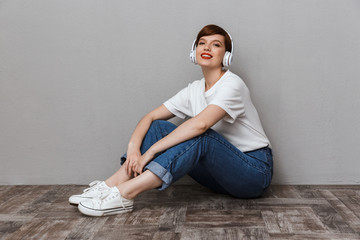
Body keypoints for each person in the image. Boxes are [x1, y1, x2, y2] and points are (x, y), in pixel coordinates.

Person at [69, 24, 273, 217]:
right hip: (219, 176)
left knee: (201, 135)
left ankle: (125, 194)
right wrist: (133, 148)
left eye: (216, 44)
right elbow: (150, 117)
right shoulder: (194, 89)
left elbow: (200, 125)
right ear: (194, 51)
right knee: (158, 127)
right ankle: (110, 185)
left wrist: (151, 151)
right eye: (202, 43)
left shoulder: (232, 85)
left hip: (254, 173)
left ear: (226, 56)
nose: (207, 48)